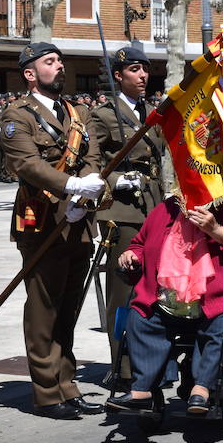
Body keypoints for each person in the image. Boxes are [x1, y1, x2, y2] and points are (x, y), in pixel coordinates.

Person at [0, 42, 106, 420]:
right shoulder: (17, 115)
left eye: (60, 61)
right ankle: (47, 392)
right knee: (44, 307)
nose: (59, 67)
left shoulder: (78, 112)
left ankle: (67, 384)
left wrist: (90, 184)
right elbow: (27, 164)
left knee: (68, 308)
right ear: (30, 73)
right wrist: (72, 187)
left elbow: (93, 154)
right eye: (49, 62)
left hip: (79, 220)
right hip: (42, 219)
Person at [107, 193, 223, 414]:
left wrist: (217, 230)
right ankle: (143, 390)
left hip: (216, 299)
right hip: (168, 301)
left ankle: (201, 389)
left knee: (220, 330)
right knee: (140, 319)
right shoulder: (167, 207)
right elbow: (141, 243)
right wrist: (132, 254)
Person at [90, 46, 164, 390]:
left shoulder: (152, 110)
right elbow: (89, 166)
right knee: (125, 293)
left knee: (155, 289)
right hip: (123, 212)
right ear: (118, 76)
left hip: (154, 208)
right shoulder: (104, 115)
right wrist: (118, 180)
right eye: (135, 69)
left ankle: (152, 361)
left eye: (145, 69)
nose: (143, 75)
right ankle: (123, 366)